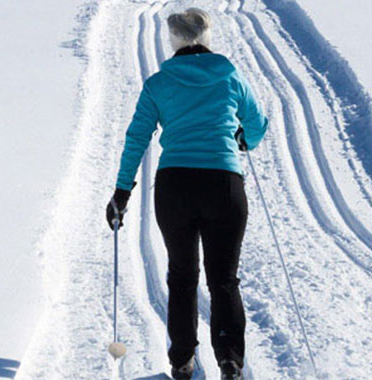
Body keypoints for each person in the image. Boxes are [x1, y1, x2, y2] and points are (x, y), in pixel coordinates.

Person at [105, 7, 268, 380]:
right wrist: (243, 139)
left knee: (182, 276)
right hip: (224, 185)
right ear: (207, 37)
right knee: (223, 278)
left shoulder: (159, 83)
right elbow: (257, 125)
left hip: (175, 187)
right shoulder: (230, 76)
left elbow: (136, 139)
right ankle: (229, 360)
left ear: (173, 41)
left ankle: (181, 361)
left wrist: (122, 193)